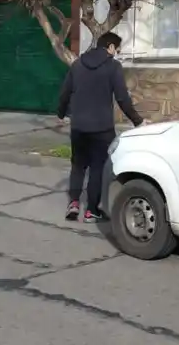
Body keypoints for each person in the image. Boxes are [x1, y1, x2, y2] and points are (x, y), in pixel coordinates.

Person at [57, 32, 145, 222]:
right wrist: (138, 121)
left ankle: (73, 203)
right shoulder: (113, 67)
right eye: (118, 49)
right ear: (111, 47)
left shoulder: (77, 65)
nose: (118, 53)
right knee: (97, 167)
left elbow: (64, 93)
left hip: (78, 126)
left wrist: (60, 114)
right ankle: (91, 211)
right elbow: (122, 98)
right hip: (102, 128)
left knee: (78, 165)